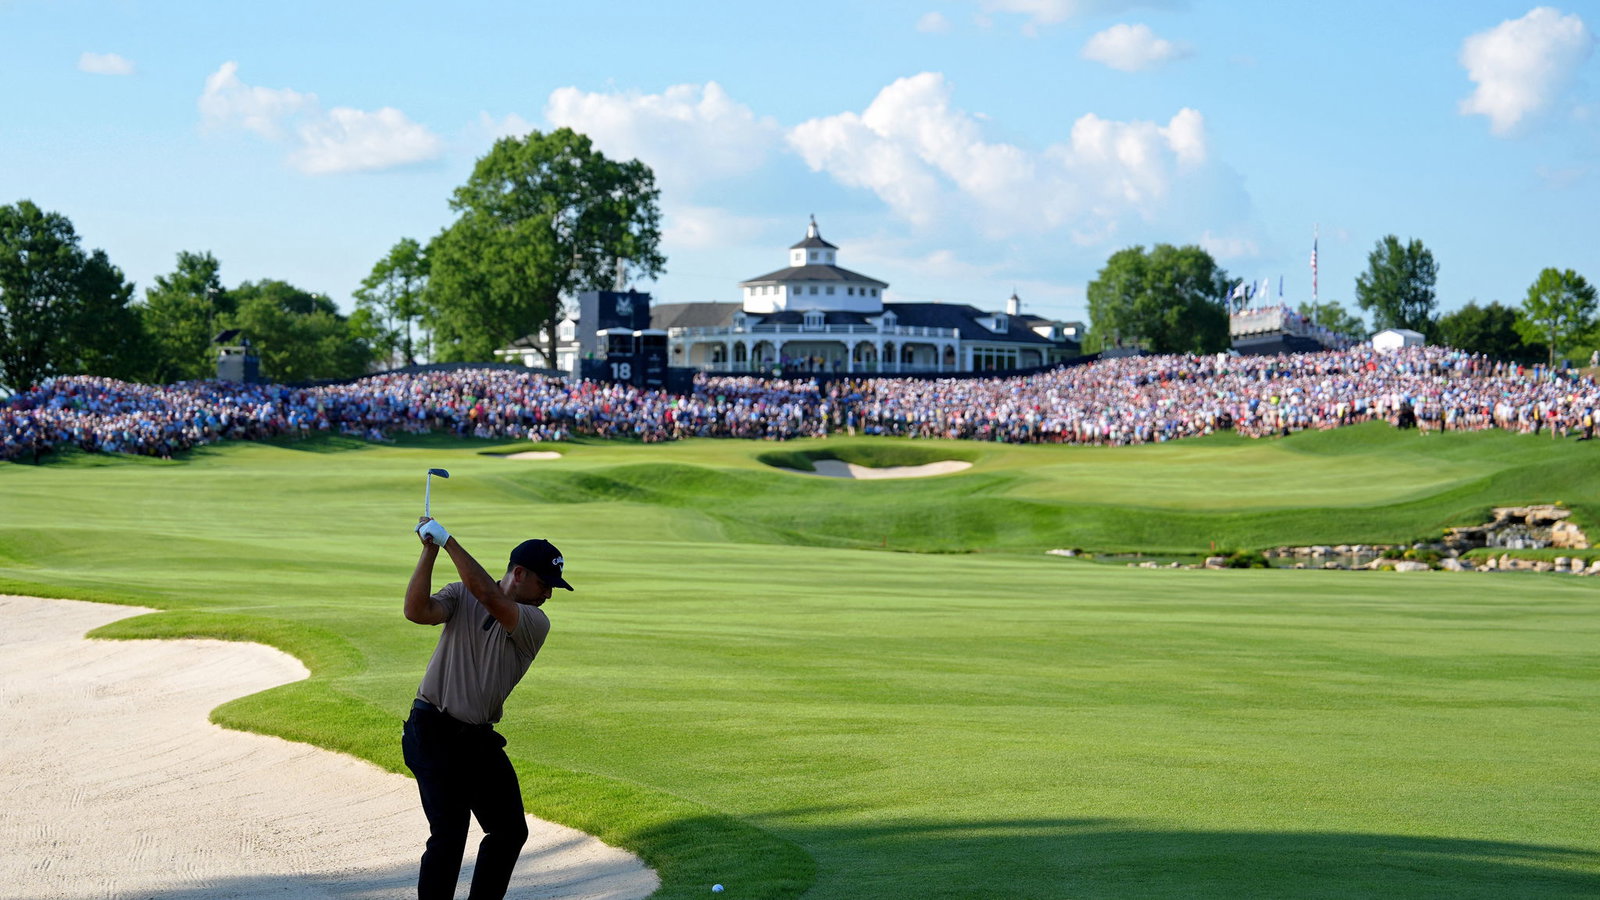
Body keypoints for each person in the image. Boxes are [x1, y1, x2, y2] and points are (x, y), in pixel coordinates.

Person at [402, 515, 572, 899]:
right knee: (449, 834)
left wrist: (448, 540)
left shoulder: (534, 621)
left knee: (510, 830)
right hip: (431, 730)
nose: (548, 594)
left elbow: (490, 598)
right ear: (519, 573)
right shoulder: (460, 594)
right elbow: (416, 611)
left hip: (475, 740)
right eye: (545, 584)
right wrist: (429, 551)